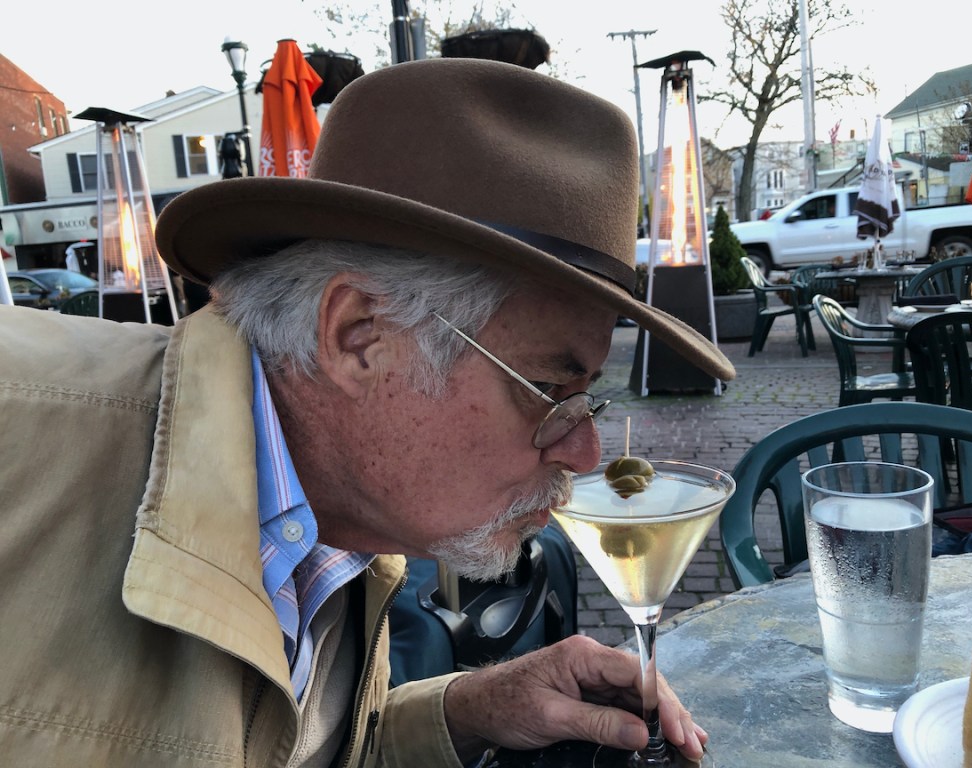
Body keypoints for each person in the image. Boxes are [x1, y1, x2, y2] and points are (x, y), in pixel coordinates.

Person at [0, 58, 734, 767]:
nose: (584, 452)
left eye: (589, 397)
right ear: (359, 337)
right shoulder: (22, 431)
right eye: (550, 388)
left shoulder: (350, 522)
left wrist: (467, 711)